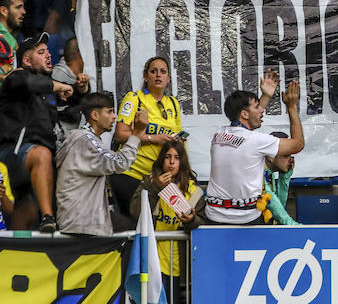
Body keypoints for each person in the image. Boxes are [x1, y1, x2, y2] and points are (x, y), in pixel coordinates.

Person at [0, 33, 77, 231]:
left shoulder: (46, 89)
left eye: (48, 51)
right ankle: (49, 217)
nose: (48, 55)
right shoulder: (17, 76)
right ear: (26, 60)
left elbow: (71, 112)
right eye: (41, 52)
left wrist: (82, 90)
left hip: (36, 161)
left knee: (26, 210)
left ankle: (15, 252)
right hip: (15, 153)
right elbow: (29, 84)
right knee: (42, 154)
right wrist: (58, 86)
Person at [205, 74, 305, 225]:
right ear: (244, 114)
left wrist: (265, 96)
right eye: (257, 107)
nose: (262, 110)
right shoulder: (256, 141)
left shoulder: (219, 134)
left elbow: (246, 123)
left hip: (213, 218)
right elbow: (297, 144)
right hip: (246, 222)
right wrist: (291, 107)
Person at [55, 93, 149, 235]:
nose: (114, 116)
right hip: (81, 222)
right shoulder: (85, 140)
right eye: (109, 111)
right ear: (95, 115)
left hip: (81, 221)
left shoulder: (85, 139)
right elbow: (119, 163)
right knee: (135, 234)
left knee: (132, 228)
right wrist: (136, 135)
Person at [129, 139, 201, 296]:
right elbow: (135, 211)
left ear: (182, 161)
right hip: (152, 261)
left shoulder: (194, 190)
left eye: (176, 158)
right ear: (162, 159)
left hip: (180, 264)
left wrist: (191, 221)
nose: (171, 162)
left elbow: (202, 224)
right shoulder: (149, 181)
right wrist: (155, 188)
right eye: (168, 157)